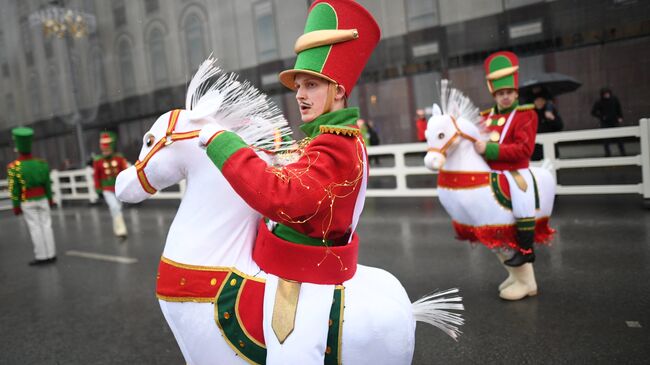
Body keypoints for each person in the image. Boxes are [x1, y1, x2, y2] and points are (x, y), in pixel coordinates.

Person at [199, 0, 379, 361]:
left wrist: (223, 143)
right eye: (298, 85)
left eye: (311, 85)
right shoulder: (327, 137)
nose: (299, 95)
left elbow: (284, 197)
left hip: (301, 270)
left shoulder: (336, 143)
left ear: (339, 90)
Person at [473, 51, 539, 284]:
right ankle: (514, 273)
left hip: (515, 172)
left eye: (509, 92)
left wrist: (489, 150)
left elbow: (524, 150)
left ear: (516, 92)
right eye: (501, 93)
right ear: (494, 94)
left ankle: (526, 250)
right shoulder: (486, 117)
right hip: (492, 174)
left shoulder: (526, 114)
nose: (506, 97)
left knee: (522, 201)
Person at [7, 127, 57, 265]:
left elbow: (14, 189)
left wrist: (16, 205)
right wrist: (50, 198)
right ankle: (51, 254)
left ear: (18, 147)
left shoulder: (14, 167)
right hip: (42, 198)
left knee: (35, 228)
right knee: (46, 225)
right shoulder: (41, 164)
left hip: (27, 200)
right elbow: (47, 184)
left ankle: (42, 256)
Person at [93, 131, 129, 238]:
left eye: (107, 149)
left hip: (119, 188)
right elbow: (96, 176)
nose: (105, 151)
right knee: (114, 207)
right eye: (104, 149)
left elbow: (125, 172)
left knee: (117, 208)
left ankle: (117, 227)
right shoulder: (98, 161)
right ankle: (121, 230)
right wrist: (98, 190)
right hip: (107, 189)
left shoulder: (119, 158)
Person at [591, 87, 626, 156]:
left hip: (614, 121)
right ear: (602, 94)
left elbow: (618, 108)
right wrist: (602, 116)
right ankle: (608, 153)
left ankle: (623, 152)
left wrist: (620, 117)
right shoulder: (599, 101)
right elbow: (593, 112)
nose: (607, 95)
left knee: (619, 138)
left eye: (608, 93)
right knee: (606, 139)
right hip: (605, 122)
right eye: (605, 94)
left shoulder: (614, 99)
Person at [531, 92, 563, 160]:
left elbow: (560, 126)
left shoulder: (550, 111)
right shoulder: (531, 113)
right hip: (536, 148)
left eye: (541, 100)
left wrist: (552, 118)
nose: (539, 102)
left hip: (551, 147)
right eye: (537, 100)